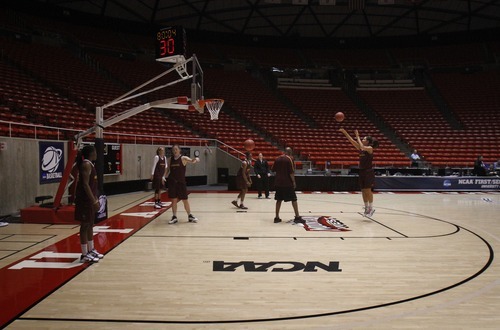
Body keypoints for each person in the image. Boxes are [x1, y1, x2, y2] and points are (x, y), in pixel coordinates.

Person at [340, 128, 379, 217]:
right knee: (363, 190)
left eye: (364, 139)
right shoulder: (362, 149)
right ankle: (366, 208)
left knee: (368, 190)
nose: (362, 140)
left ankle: (371, 208)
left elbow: (361, 146)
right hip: (362, 171)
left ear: (368, 142)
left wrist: (357, 135)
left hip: (368, 171)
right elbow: (352, 141)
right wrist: (345, 132)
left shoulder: (369, 148)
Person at [75, 145, 104, 263]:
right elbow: (86, 185)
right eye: (95, 152)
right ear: (91, 153)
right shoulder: (86, 165)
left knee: (90, 224)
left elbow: (92, 186)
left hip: (89, 200)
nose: (97, 154)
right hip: (84, 201)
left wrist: (95, 198)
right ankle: (84, 254)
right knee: (84, 225)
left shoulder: (90, 164)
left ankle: (91, 249)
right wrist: (94, 200)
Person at [165, 145, 200, 224]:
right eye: (173, 149)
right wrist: (163, 176)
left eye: (176, 149)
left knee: (185, 200)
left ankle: (190, 215)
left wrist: (196, 159)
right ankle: (174, 217)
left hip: (181, 183)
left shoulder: (183, 158)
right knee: (173, 200)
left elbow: (191, 161)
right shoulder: (170, 159)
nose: (175, 151)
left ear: (179, 150)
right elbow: (167, 170)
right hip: (172, 182)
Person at [272, 147, 301, 224]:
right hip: (287, 183)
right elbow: (291, 172)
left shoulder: (277, 159)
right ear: (290, 152)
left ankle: (277, 217)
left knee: (278, 200)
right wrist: (294, 182)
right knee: (294, 199)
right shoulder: (290, 159)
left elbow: (273, 169)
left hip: (278, 182)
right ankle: (297, 217)